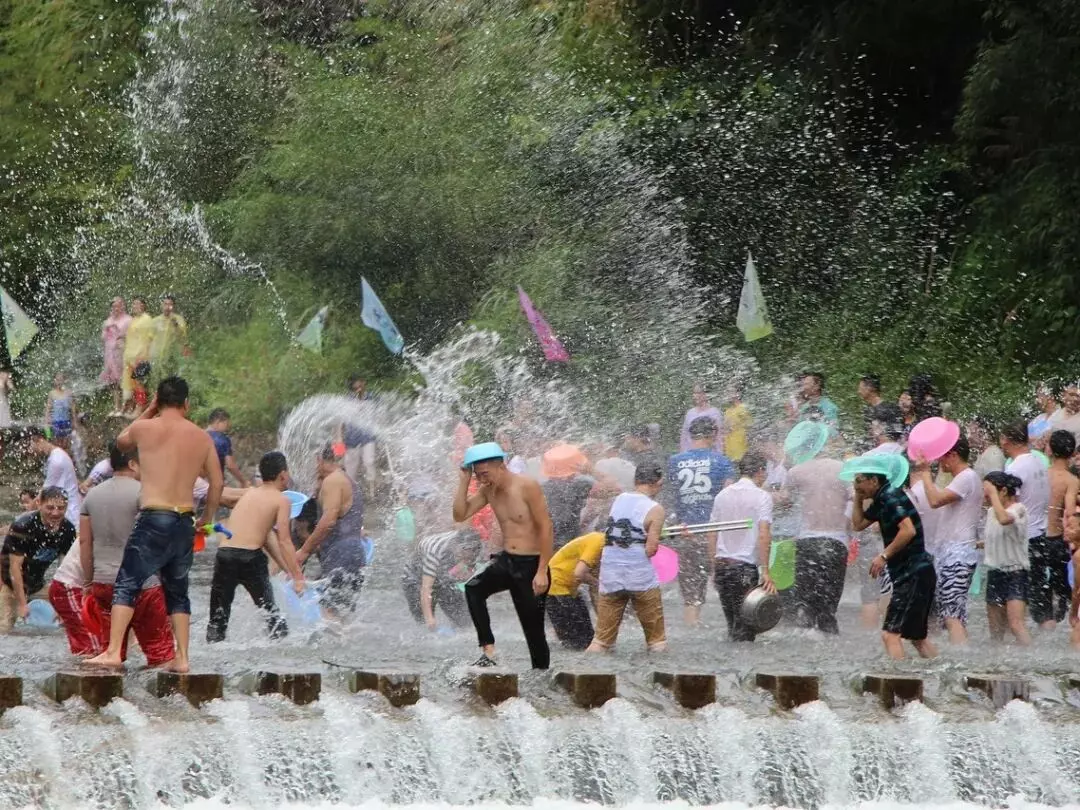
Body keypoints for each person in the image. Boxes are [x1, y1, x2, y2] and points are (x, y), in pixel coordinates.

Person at [87, 376, 223, 673]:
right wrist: (207, 520)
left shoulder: (143, 427)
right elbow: (218, 482)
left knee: (127, 582)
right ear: (186, 403)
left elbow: (121, 443)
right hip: (184, 519)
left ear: (158, 401)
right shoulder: (202, 437)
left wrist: (149, 410)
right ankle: (183, 658)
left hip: (154, 515)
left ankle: (112, 651)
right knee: (177, 590)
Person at [453, 443, 552, 668]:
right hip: (507, 560)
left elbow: (546, 527)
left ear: (500, 465)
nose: (482, 480)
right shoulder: (488, 490)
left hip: (532, 564)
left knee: (533, 631)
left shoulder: (527, 486)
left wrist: (542, 571)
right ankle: (489, 651)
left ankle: (541, 677)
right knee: (473, 589)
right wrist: (464, 481)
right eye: (477, 476)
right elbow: (460, 515)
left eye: (484, 474)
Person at [78, 444, 175, 666]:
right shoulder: (145, 493)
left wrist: (88, 582)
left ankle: (110, 697)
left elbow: (85, 543)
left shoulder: (92, 496)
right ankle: (162, 699)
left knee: (111, 652)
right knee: (160, 654)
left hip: (104, 583)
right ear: (133, 463)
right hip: (144, 586)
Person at [207, 451, 304, 642]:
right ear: (283, 475)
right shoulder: (281, 500)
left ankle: (213, 652)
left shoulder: (249, 493)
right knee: (270, 611)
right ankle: (282, 649)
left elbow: (267, 538)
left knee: (218, 615)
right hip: (250, 558)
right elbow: (284, 541)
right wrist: (298, 577)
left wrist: (287, 571)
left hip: (224, 555)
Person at [850, 466, 937, 660]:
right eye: (855, 481)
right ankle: (944, 675)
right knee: (917, 638)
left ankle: (899, 682)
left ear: (874, 481)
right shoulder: (882, 499)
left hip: (912, 573)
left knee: (890, 634)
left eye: (859, 480)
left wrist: (883, 556)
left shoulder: (890, 497)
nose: (856, 485)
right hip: (917, 573)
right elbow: (858, 524)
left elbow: (908, 530)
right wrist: (857, 496)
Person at [586, 459, 667, 653]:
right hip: (640, 576)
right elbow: (651, 549)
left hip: (611, 573)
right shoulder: (655, 509)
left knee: (601, 642)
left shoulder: (619, 499)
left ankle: (586, 669)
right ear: (658, 482)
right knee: (657, 642)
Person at [666, 416, 736, 625]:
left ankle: (691, 624)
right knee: (724, 585)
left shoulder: (674, 461)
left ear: (690, 436)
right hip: (712, 534)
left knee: (691, 592)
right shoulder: (722, 462)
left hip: (685, 531)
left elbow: (671, 496)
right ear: (713, 435)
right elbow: (728, 496)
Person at [915, 433, 982, 645]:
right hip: (953, 555)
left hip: (958, 555)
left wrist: (925, 473)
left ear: (953, 455)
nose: (939, 462)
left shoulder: (966, 477)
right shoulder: (962, 478)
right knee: (954, 614)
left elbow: (934, 500)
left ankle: (960, 661)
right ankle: (964, 657)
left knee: (952, 615)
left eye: (942, 457)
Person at [781, 427, 849, 634]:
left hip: (806, 542)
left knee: (805, 604)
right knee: (828, 608)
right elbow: (857, 499)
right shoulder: (843, 468)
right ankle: (831, 649)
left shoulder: (796, 471)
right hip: (836, 541)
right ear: (824, 444)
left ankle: (805, 650)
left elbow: (784, 502)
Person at [709, 452, 776, 642]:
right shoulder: (762, 497)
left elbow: (712, 533)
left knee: (732, 627)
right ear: (761, 471)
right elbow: (764, 534)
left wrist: (713, 568)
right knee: (746, 629)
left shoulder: (722, 495)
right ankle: (743, 670)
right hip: (744, 569)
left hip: (722, 566)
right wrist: (765, 571)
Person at [297, 446, 367, 619]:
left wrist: (304, 551)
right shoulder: (349, 481)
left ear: (319, 459)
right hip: (354, 553)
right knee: (342, 616)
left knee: (329, 615)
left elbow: (328, 521)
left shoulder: (333, 481)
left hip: (341, 554)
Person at [999, 420, 1056, 628]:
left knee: (1014, 596)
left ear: (1005, 440)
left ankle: (1018, 642)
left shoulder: (1015, 468)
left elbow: (1009, 506)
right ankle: (1048, 641)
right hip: (1040, 534)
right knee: (1040, 597)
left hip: (1021, 539)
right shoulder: (1039, 462)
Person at [0, 487, 75, 632]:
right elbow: (15, 568)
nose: (55, 512)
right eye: (50, 507)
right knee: (4, 629)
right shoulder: (23, 526)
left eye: (61, 508)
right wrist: (22, 603)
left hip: (38, 585)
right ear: (39, 503)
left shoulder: (67, 530)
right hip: (10, 585)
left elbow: (65, 569)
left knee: (68, 618)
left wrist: (62, 604)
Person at [982, 471, 1032, 645]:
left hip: (1016, 573)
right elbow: (996, 536)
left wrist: (993, 494)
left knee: (1016, 625)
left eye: (988, 492)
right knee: (995, 633)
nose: (985, 496)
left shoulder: (1019, 509)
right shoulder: (990, 512)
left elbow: (1004, 520)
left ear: (1003, 491)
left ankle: (1030, 659)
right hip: (995, 572)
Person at [402, 529, 483, 631]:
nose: (467, 557)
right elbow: (426, 588)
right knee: (424, 623)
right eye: (463, 554)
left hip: (442, 577)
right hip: (415, 578)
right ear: (455, 546)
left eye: (471, 554)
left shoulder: (472, 544)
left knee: (464, 621)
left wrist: (467, 570)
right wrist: (429, 619)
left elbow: (471, 564)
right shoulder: (433, 552)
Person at [546, 531, 604, 650]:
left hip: (564, 589)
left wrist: (603, 621)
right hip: (555, 586)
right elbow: (579, 573)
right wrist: (598, 583)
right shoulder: (598, 542)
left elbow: (593, 590)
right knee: (578, 641)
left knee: (585, 638)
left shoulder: (602, 552)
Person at [1044, 430, 1079, 623]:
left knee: (1041, 589)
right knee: (1062, 589)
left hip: (1037, 538)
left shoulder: (1042, 474)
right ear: (1073, 453)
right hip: (1057, 540)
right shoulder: (1071, 480)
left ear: (1050, 449)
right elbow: (1070, 513)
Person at [541, 444, 599, 550]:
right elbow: (614, 489)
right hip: (570, 544)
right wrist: (592, 472)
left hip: (545, 545)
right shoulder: (580, 485)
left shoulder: (540, 488)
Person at [49, 543, 100, 656]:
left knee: (86, 646)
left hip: (70, 587)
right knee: (94, 648)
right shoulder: (107, 528)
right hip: (70, 587)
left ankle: (76, 669)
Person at [28, 427, 82, 526]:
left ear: (37, 440)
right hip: (66, 513)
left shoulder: (56, 460)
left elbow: (44, 494)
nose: (30, 450)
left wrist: (26, 513)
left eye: (30, 445)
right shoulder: (57, 455)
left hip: (69, 517)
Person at [122, 297, 154, 415]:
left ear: (143, 306)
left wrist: (142, 355)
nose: (134, 306)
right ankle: (137, 407)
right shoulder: (133, 320)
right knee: (134, 384)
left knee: (140, 382)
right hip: (130, 358)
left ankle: (140, 409)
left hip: (141, 357)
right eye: (133, 304)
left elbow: (149, 339)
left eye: (137, 304)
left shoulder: (147, 319)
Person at [100, 297, 132, 416]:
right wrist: (107, 330)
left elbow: (132, 335)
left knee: (125, 380)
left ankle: (127, 407)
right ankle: (116, 407)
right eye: (114, 306)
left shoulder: (128, 319)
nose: (116, 308)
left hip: (122, 352)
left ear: (123, 306)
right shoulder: (107, 321)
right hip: (110, 353)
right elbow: (103, 338)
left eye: (119, 305)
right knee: (113, 382)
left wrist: (122, 336)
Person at [206, 408, 249, 487]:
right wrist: (243, 481)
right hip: (215, 484)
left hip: (197, 483)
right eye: (226, 423)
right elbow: (230, 465)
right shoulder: (222, 439)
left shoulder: (198, 435)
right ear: (218, 422)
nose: (228, 426)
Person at [150, 294, 189, 377]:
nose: (167, 307)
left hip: (172, 357)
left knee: (171, 380)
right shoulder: (155, 321)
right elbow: (149, 339)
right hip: (157, 357)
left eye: (170, 304)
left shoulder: (178, 319)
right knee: (157, 380)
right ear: (161, 305)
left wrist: (175, 325)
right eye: (165, 304)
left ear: (173, 306)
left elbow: (183, 338)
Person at [679, 384, 724, 453]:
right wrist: (682, 453)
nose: (695, 396)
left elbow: (719, 435)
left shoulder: (714, 412)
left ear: (706, 394)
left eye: (698, 393)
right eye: (694, 393)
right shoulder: (690, 413)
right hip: (691, 454)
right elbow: (684, 435)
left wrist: (719, 453)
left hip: (709, 454)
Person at [43, 373, 77, 442]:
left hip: (67, 421)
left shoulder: (69, 392)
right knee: (58, 442)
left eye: (61, 380)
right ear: (54, 381)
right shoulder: (52, 393)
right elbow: (48, 408)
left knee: (67, 442)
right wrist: (46, 421)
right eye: (57, 380)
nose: (59, 382)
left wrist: (74, 421)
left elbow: (73, 408)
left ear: (64, 381)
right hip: (56, 422)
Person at [723, 384, 752, 462]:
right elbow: (725, 430)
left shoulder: (743, 408)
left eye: (730, 392)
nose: (727, 394)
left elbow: (750, 428)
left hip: (741, 452)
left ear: (738, 394)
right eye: (727, 392)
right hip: (729, 453)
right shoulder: (728, 411)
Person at [1029, 383, 1060, 448]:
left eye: (1040, 395)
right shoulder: (1040, 417)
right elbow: (1024, 433)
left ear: (1051, 396)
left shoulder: (1060, 416)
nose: (1037, 400)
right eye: (1037, 396)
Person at [859, 373, 886, 445]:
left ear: (871, 388)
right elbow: (868, 436)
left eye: (861, 388)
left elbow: (894, 436)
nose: (859, 392)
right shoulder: (867, 411)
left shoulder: (889, 409)